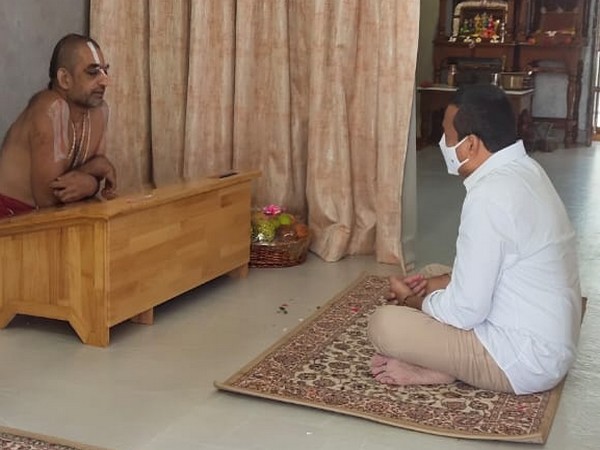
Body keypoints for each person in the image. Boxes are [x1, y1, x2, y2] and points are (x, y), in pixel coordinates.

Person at [368, 84, 582, 395]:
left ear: (470, 144)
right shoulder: (527, 170)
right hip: (549, 339)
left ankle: (442, 368)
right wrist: (429, 287)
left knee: (384, 324)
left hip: (523, 361)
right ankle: (444, 352)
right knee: (431, 274)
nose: (443, 144)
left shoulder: (489, 197)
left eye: (447, 136)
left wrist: (412, 300)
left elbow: (466, 312)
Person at [0, 33, 116, 219]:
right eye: (93, 72)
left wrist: (92, 179)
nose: (105, 81)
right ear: (64, 79)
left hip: (53, 221)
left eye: (105, 71)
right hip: (11, 220)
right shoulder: (52, 108)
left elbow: (92, 176)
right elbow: (48, 200)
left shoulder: (99, 111)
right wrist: (92, 180)